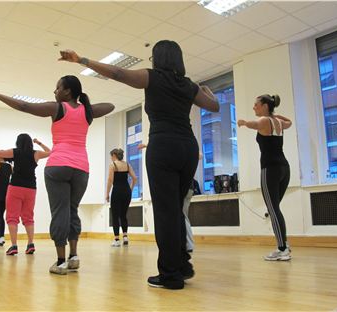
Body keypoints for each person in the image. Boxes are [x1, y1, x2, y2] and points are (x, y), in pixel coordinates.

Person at [58, 40, 219, 289]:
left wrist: (82, 60)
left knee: (165, 212)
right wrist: (204, 89)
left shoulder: (152, 77)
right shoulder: (188, 85)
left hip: (163, 145)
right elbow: (215, 105)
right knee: (176, 209)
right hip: (188, 147)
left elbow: (118, 73)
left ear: (159, 59)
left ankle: (170, 276)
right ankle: (182, 265)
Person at [0, 76, 114, 274]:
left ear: (67, 91)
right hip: (82, 169)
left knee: (60, 212)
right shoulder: (86, 111)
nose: (55, 92)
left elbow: (24, 106)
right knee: (72, 210)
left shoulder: (57, 108)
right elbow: (110, 105)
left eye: (57, 88)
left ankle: (60, 262)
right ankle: (74, 256)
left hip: (58, 166)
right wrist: (85, 103)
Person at [0, 136, 50, 255]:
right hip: (31, 189)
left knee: (12, 217)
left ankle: (14, 246)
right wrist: (39, 142)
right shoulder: (36, 154)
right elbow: (50, 152)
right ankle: (30, 244)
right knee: (28, 217)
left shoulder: (15, 152)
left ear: (17, 142)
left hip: (15, 188)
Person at [237, 94, 292, 261]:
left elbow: (253, 124)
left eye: (256, 105)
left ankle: (282, 249)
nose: (254, 107)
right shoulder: (278, 122)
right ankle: (284, 244)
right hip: (284, 168)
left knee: (273, 209)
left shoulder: (263, 121)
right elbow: (289, 121)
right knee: (275, 209)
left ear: (265, 106)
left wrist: (244, 123)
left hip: (270, 170)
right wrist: (274, 114)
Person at [137, 144, 200, 253]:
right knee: (181, 215)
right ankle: (184, 243)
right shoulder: (185, 153)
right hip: (189, 188)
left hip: (185, 188)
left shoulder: (179, 155)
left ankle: (188, 244)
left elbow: (199, 155)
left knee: (182, 216)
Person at [106, 148, 137, 247]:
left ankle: (116, 240)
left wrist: (107, 194)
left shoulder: (113, 165)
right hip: (126, 191)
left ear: (114, 155)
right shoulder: (127, 164)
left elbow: (110, 181)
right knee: (123, 215)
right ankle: (125, 237)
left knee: (115, 215)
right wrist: (130, 189)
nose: (111, 158)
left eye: (111, 156)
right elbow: (135, 178)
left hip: (117, 192)